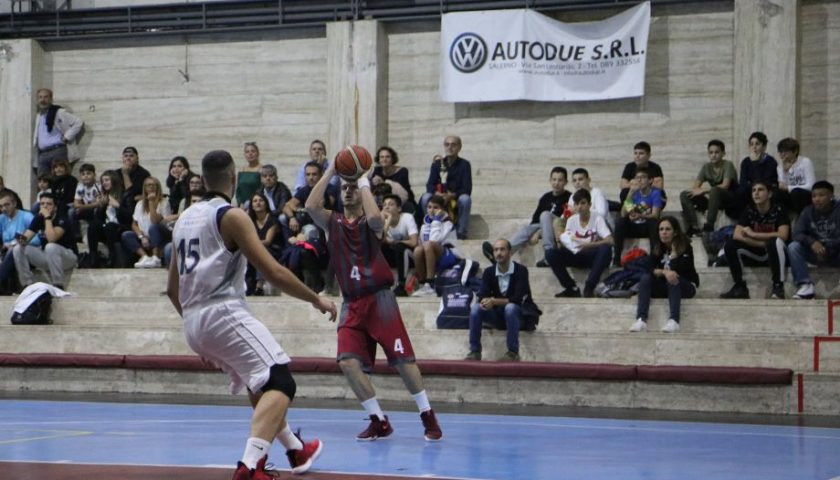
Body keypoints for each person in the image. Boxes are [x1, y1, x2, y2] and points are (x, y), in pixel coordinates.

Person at [166, 149, 336, 479]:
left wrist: (199, 333)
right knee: (280, 382)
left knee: (256, 380)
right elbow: (272, 271)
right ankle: (250, 466)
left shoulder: (184, 218)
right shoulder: (231, 215)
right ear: (233, 178)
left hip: (192, 318)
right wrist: (316, 299)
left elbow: (172, 288)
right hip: (221, 310)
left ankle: (295, 449)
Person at [305, 161, 443, 442]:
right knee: (346, 362)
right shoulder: (332, 222)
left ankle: (427, 414)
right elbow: (309, 207)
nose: (348, 192)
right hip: (351, 303)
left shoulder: (372, 222)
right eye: (344, 188)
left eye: (353, 188)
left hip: (380, 300)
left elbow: (378, 221)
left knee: (403, 361)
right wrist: (331, 170)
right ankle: (379, 420)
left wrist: (363, 180)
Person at [465, 238, 540, 362]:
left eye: (502, 249)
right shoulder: (489, 272)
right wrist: (485, 302)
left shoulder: (521, 270)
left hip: (520, 317)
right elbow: (483, 294)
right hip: (499, 317)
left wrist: (494, 301)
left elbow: (517, 299)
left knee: (510, 308)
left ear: (510, 253)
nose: (499, 253)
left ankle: (513, 352)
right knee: (476, 308)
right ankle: (475, 351)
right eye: (496, 250)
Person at [489, 166, 571, 268]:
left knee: (545, 215)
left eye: (560, 180)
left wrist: (539, 232)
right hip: (541, 226)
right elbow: (535, 219)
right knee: (525, 229)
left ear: (566, 182)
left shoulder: (569, 197)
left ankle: (549, 255)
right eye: (554, 179)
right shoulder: (546, 197)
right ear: (550, 180)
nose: (556, 183)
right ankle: (503, 253)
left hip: (556, 228)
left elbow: (564, 221)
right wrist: (534, 232)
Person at [720, 181, 789, 300]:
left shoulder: (778, 209)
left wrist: (754, 234)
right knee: (730, 244)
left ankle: (778, 286)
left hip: (777, 254)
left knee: (775, 242)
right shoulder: (749, 210)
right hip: (757, 251)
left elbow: (783, 235)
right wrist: (762, 243)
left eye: (760, 190)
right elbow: (737, 235)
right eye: (754, 190)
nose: (756, 193)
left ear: (770, 194)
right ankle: (740, 287)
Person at [629, 216, 699, 333]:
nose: (664, 232)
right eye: (661, 229)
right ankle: (641, 320)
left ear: (675, 232)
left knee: (672, 277)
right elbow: (649, 269)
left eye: (667, 229)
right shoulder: (657, 247)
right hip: (667, 286)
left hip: (686, 285)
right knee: (646, 278)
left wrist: (674, 255)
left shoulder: (685, 247)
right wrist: (664, 272)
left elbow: (681, 270)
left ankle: (674, 321)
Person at [546, 189, 614, 298]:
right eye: (576, 204)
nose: (579, 207)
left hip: (593, 256)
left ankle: (589, 287)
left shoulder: (597, 218)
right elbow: (567, 241)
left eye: (583, 203)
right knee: (550, 253)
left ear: (589, 205)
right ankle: (571, 288)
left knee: (606, 249)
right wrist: (562, 240)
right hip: (576, 254)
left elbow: (610, 240)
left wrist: (588, 245)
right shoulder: (572, 220)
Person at [787, 181, 840, 300]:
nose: (817, 199)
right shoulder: (807, 211)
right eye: (814, 196)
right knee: (793, 247)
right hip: (816, 253)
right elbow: (797, 234)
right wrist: (812, 242)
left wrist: (826, 247)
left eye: (821, 195)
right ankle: (805, 285)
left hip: (836, 252)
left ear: (831, 195)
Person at [13, 192, 77, 290]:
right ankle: (26, 284)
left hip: (67, 258)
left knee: (50, 246)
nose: (45, 207)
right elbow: (26, 239)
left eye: (49, 204)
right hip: (48, 257)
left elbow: (52, 239)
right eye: (42, 204)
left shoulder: (62, 219)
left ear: (55, 207)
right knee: (18, 248)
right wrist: (20, 239)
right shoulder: (38, 218)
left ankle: (58, 284)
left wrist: (47, 217)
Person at [679, 139, 738, 236]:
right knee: (685, 195)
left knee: (715, 190)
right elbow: (695, 188)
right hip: (713, 199)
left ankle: (709, 225)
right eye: (711, 152)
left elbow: (725, 185)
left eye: (717, 152)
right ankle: (694, 227)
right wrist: (701, 193)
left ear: (723, 153)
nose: (713, 155)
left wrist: (704, 191)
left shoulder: (728, 165)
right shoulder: (706, 167)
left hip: (729, 198)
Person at [420, 135, 472, 239]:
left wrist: (451, 195)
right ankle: (430, 225)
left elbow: (467, 188)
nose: (450, 147)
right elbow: (430, 184)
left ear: (459, 147)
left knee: (465, 199)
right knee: (425, 197)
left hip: (455, 198)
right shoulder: (437, 164)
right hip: (438, 197)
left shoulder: (464, 164)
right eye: (447, 144)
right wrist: (436, 193)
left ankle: (461, 232)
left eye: (453, 145)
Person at [613, 167, 663, 266]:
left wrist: (640, 215)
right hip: (634, 226)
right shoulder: (634, 193)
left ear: (650, 180)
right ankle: (616, 259)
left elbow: (655, 215)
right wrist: (630, 193)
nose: (639, 180)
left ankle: (654, 260)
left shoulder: (655, 193)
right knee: (620, 222)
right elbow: (623, 213)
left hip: (647, 227)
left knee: (654, 222)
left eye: (643, 177)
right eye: (637, 178)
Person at [412, 195, 457, 297]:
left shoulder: (448, 224)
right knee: (417, 250)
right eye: (429, 207)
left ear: (442, 210)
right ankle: (423, 284)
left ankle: (430, 283)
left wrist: (437, 220)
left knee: (429, 245)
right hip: (431, 254)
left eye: (435, 207)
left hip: (449, 255)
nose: (431, 210)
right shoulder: (424, 226)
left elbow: (435, 240)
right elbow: (423, 244)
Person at [122, 177, 171, 268]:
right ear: (144, 188)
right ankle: (145, 257)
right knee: (126, 234)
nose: (152, 187)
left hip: (160, 236)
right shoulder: (140, 204)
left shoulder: (164, 202)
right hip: (144, 236)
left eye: (154, 185)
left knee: (153, 227)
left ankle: (156, 258)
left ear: (158, 187)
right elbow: (134, 224)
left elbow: (155, 220)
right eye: (149, 185)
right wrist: (142, 237)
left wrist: (151, 202)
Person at [32, 88, 84, 175]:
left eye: (45, 97)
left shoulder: (58, 112)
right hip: (42, 154)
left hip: (57, 151)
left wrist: (67, 136)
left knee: (59, 179)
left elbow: (78, 122)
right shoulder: (39, 115)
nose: (43, 100)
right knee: (43, 182)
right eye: (40, 97)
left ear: (51, 99)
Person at [88, 170, 132, 268]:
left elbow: (130, 216)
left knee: (110, 226)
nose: (104, 183)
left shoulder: (126, 194)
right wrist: (101, 206)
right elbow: (98, 219)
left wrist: (118, 206)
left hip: (121, 228)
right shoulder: (104, 196)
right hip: (107, 228)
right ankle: (93, 256)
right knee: (93, 225)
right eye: (103, 181)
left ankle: (112, 256)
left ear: (114, 180)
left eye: (107, 180)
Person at [246, 192, 287, 296]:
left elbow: (268, 241)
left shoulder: (272, 219)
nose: (258, 203)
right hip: (256, 249)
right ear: (251, 205)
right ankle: (248, 287)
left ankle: (259, 285)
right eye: (255, 201)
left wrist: (249, 244)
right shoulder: (250, 221)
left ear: (266, 204)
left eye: (261, 200)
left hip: (274, 250)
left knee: (260, 252)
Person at [0, 190, 40, 293]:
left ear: (14, 203)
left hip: (26, 254)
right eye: (1, 206)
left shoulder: (27, 216)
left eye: (7, 205)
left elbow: (37, 240)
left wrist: (14, 244)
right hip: (7, 255)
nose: (4, 209)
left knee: (14, 250)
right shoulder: (1, 219)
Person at [381, 194, 418, 296]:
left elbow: (414, 242)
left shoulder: (407, 218)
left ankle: (401, 285)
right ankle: (380, 283)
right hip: (394, 255)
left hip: (410, 256)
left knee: (400, 247)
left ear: (399, 208)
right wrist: (387, 221)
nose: (386, 207)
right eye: (384, 205)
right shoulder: (383, 220)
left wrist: (395, 242)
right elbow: (380, 240)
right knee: (379, 247)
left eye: (391, 204)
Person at [735, 132, 778, 216]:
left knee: (760, 191)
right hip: (750, 189)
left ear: (764, 147)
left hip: (766, 190)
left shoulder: (770, 161)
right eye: (751, 144)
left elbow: (764, 182)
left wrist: (755, 163)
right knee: (740, 192)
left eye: (757, 144)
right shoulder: (746, 161)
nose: (754, 147)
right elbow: (743, 182)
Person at [775, 137, 815, 215]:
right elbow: (782, 186)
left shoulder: (805, 162)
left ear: (795, 151)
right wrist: (784, 171)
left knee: (796, 192)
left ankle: (802, 218)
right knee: (777, 193)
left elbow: (811, 186)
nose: (783, 155)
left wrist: (789, 188)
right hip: (790, 196)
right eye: (780, 152)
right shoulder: (780, 166)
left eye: (786, 152)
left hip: (804, 195)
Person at [371, 146, 417, 214]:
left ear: (392, 159)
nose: (384, 159)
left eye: (387, 157)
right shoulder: (376, 170)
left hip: (403, 203)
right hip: (382, 203)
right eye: (382, 157)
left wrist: (383, 183)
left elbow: (402, 193)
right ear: (379, 159)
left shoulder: (402, 171)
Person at [619, 141, 667, 205]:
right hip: (635, 195)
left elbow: (659, 186)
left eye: (641, 153)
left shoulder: (655, 167)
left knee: (660, 193)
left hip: (649, 196)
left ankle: (652, 212)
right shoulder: (629, 167)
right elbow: (623, 185)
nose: (637, 156)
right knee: (624, 192)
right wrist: (644, 183)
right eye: (635, 153)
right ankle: (630, 211)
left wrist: (634, 183)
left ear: (648, 155)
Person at [70, 163, 102, 241]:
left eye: (88, 173)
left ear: (94, 174)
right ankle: (76, 235)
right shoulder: (80, 185)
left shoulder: (98, 186)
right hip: (85, 208)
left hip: (95, 209)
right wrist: (79, 207)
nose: (86, 176)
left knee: (97, 211)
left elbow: (98, 204)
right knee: (71, 211)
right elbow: (76, 201)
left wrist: (82, 207)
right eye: (83, 174)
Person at [117, 146, 151, 210]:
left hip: (137, 206)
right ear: (122, 159)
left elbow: (145, 195)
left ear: (137, 158)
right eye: (126, 156)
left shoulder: (144, 174)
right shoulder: (116, 173)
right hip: (119, 205)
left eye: (131, 156)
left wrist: (125, 174)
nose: (128, 158)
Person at [235, 142, 263, 207]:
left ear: (258, 153)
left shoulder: (262, 170)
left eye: (253, 151)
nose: (250, 154)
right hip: (242, 206)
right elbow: (238, 190)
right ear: (244, 154)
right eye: (247, 152)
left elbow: (261, 190)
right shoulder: (242, 170)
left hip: (256, 205)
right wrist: (240, 203)